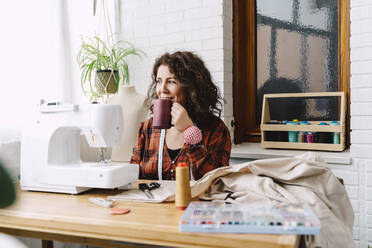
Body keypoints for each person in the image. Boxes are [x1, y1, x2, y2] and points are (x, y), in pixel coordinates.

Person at [130, 51, 231, 181]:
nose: (162, 89)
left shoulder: (216, 129)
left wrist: (189, 131)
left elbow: (216, 181)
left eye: (171, 82)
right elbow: (131, 177)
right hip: (153, 201)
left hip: (195, 201)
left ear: (191, 87)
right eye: (159, 81)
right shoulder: (147, 128)